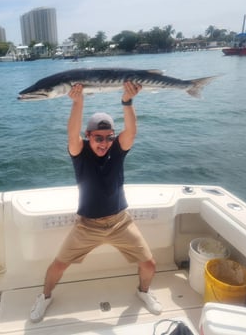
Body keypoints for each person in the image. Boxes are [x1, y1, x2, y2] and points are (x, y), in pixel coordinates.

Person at [30, 81, 162, 322]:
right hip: (87, 226)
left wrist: (127, 101)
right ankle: (45, 297)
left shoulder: (117, 151)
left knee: (150, 264)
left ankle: (143, 292)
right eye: (97, 137)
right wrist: (78, 101)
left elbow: (131, 132)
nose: (103, 143)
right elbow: (72, 133)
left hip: (121, 222)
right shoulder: (79, 154)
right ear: (88, 136)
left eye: (108, 137)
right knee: (57, 266)